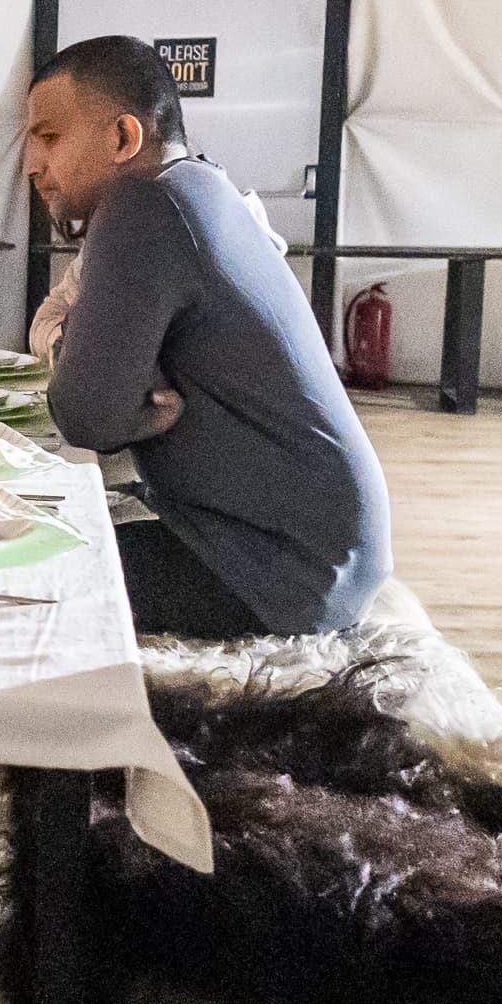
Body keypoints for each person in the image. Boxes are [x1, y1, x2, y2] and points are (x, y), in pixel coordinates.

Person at [26, 34, 389, 638]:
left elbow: (86, 418)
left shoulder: (143, 203)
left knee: (2, 566)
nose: (32, 165)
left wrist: (108, 394)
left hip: (271, 570)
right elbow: (101, 406)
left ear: (123, 137)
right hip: (319, 555)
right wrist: (107, 385)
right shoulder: (199, 185)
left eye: (50, 138)